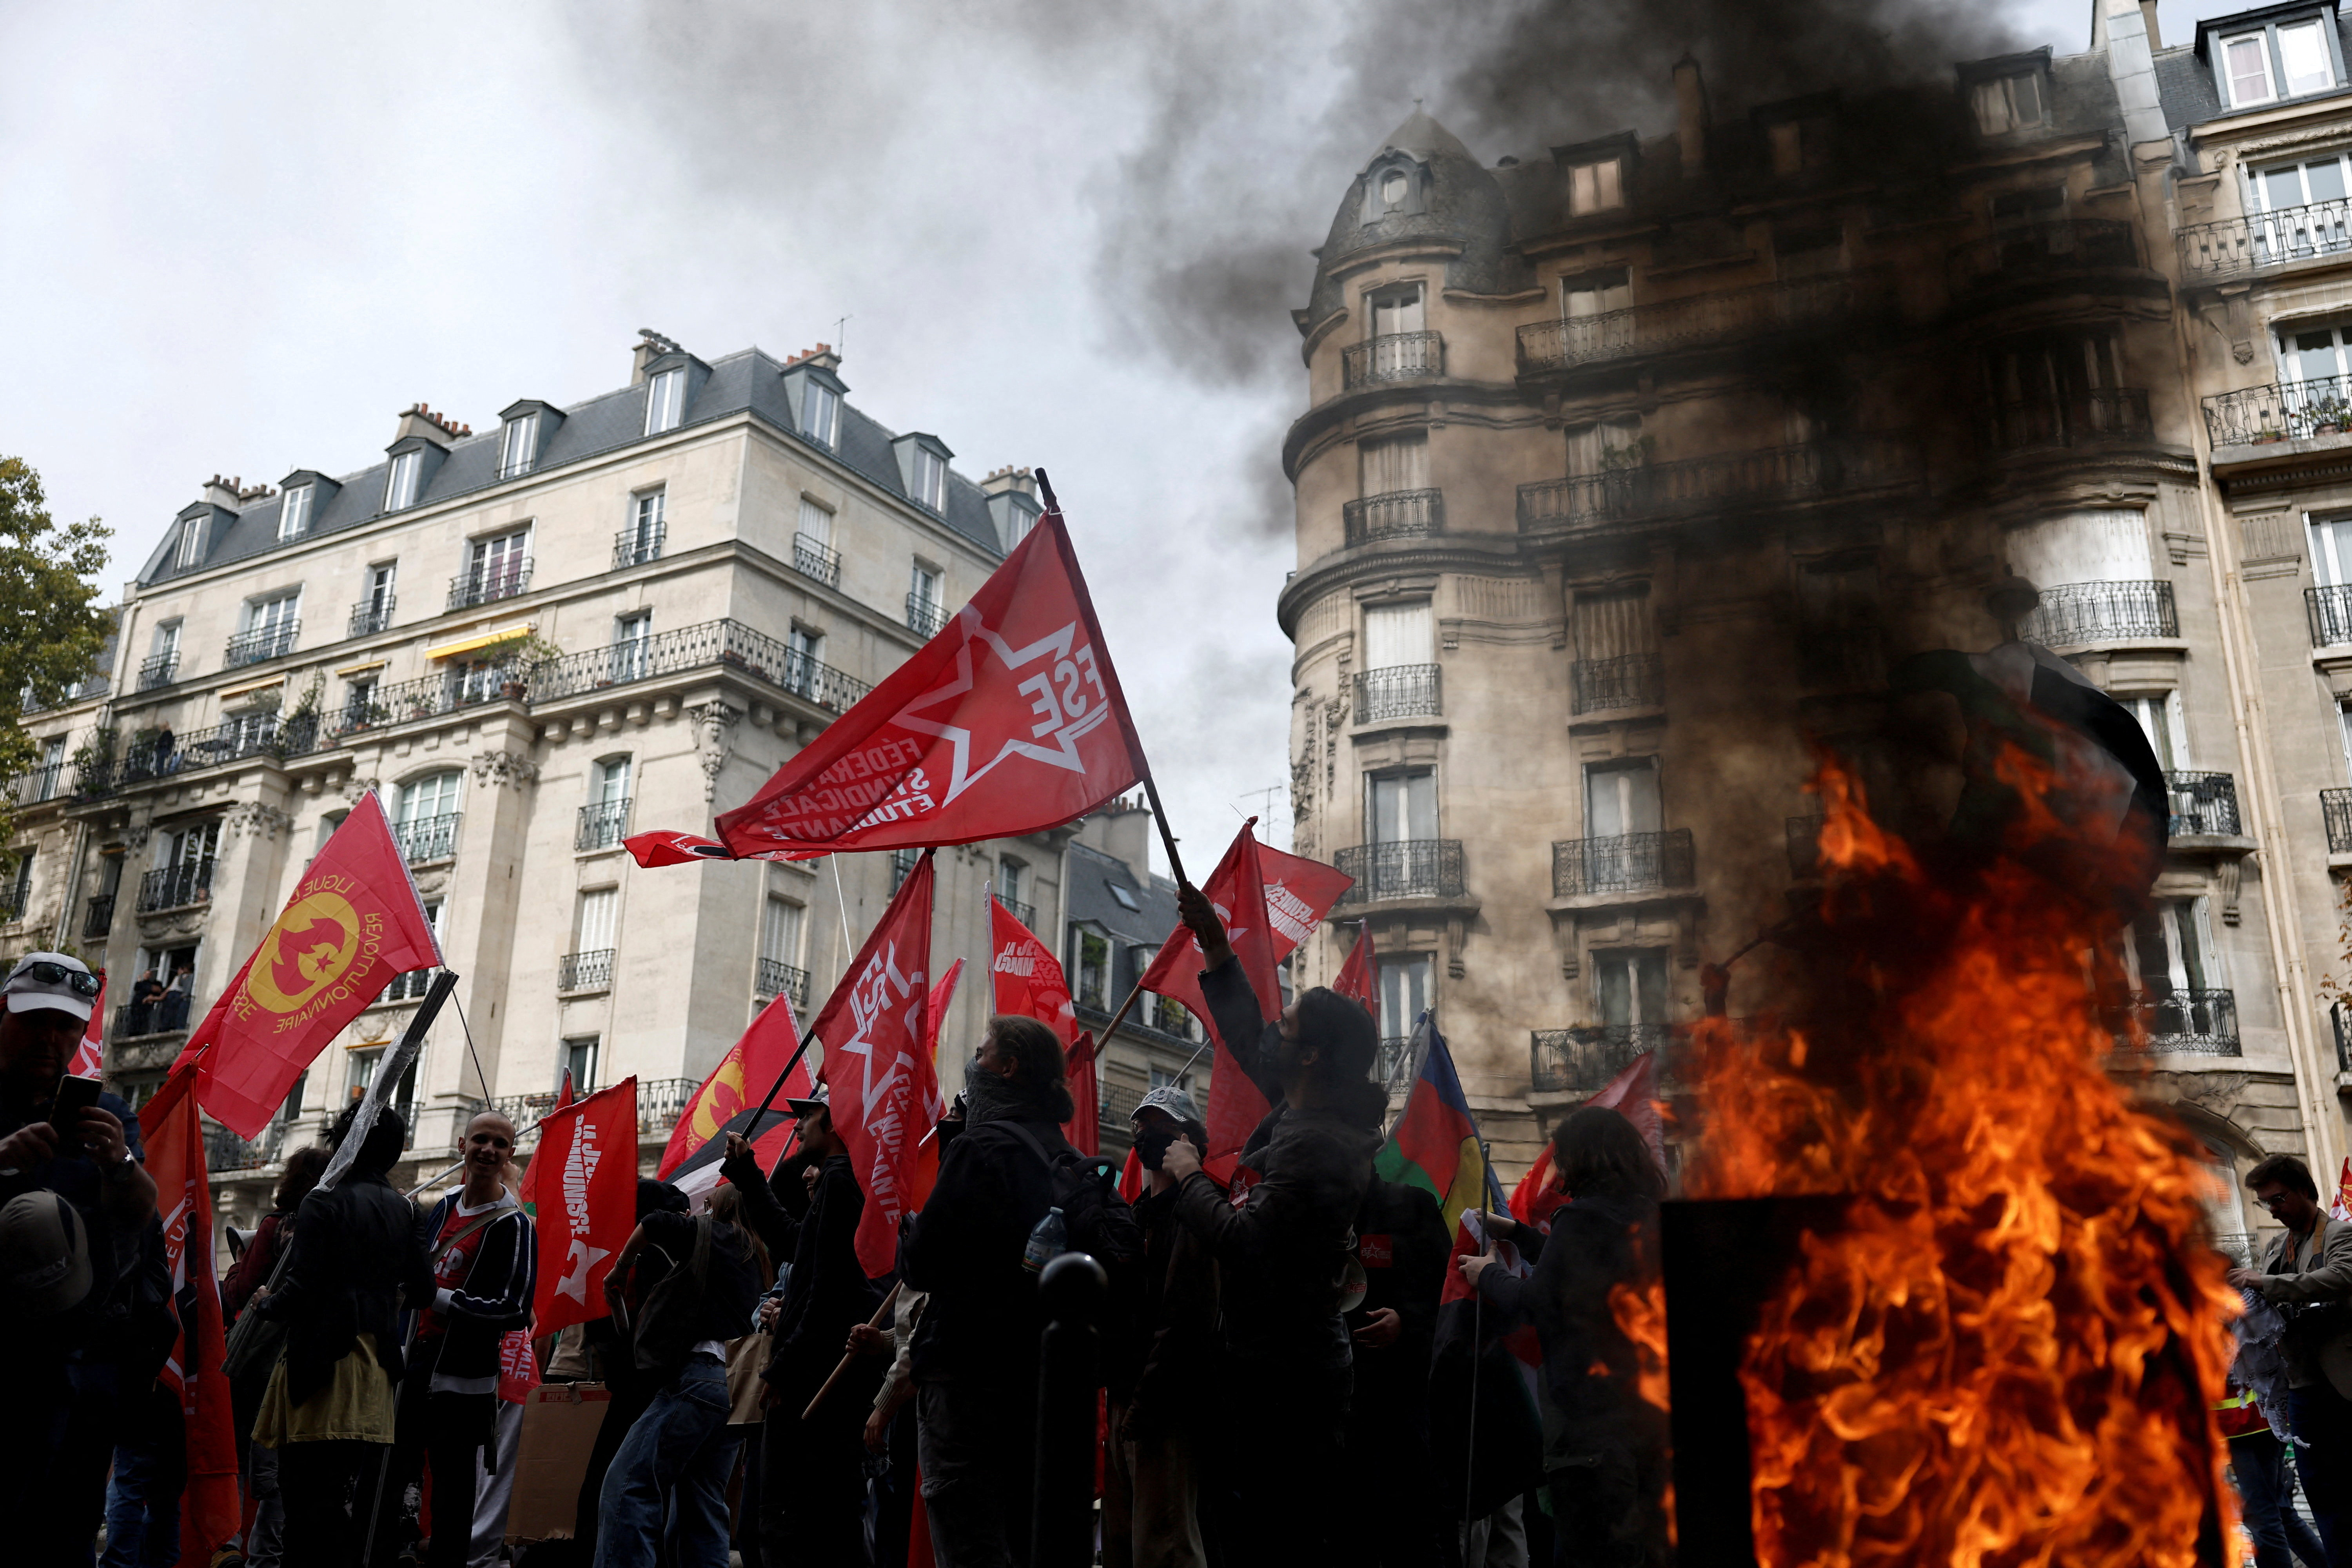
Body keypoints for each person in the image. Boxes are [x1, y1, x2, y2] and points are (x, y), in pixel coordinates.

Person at [1158, 888, 1387, 1568]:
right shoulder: (1311, 1108)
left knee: (1269, 1537)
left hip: (1284, 1383)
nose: (1273, 1035)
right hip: (1280, 1369)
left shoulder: (1314, 1140)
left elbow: (1247, 1241)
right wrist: (1216, 946)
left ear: (1312, 1058)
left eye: (1287, 1027)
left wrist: (1191, 1174)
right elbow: (1248, 1033)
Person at [904, 1014, 1084, 1568]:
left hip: (966, 1376)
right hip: (1039, 1380)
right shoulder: (1066, 1159)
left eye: (981, 1054)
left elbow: (925, 1262)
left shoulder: (981, 1149)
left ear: (1006, 1069)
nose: (972, 1065)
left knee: (968, 1537)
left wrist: (911, 1228)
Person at [0, 951, 161, 1567]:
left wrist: (118, 1162)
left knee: (63, 1534)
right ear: (4, 1013)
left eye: (67, 1025)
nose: (52, 1038)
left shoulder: (109, 1113)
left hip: (73, 1366)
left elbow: (144, 1210)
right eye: (36, 1019)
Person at [1464, 1107, 1668, 1568]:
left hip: (1589, 1434)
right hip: (1649, 1428)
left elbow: (1540, 1302)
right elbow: (1583, 1276)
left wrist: (1488, 1274)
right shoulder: (1649, 1216)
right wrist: (1517, 1232)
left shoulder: (1580, 1218)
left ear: (1583, 1158)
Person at [249, 1103, 434, 1568]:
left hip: (319, 1367)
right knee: (351, 1507)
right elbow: (425, 1289)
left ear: (343, 1142)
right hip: (375, 1372)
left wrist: (264, 1302)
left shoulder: (322, 1200)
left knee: (304, 1506)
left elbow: (301, 1286)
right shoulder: (406, 1209)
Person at [720, 1089, 883, 1568]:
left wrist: (783, 1370)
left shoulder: (839, 1181)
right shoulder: (835, 1182)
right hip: (814, 1377)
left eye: (807, 1115)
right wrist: (748, 1173)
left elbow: (828, 1289)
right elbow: (797, 1245)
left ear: (834, 1123)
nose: (798, 1125)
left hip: (815, 1384)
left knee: (797, 1522)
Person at [376, 1111, 534, 1568]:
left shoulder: (515, 1225)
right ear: (462, 1144)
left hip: (465, 1382)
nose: (488, 1149)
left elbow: (514, 1310)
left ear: (510, 1154)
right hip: (414, 1365)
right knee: (395, 1475)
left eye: (499, 1143)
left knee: (452, 1495)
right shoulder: (442, 1205)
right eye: (480, 1140)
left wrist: (440, 1298)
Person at [595, 1173, 763, 1568]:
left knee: (628, 1486)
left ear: (719, 1209)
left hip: (698, 1378)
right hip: (733, 1391)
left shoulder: (718, 1233)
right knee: (701, 1504)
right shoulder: (756, 1254)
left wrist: (620, 1268)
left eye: (707, 1208)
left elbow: (654, 1223)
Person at [1114, 1087, 1223, 1568]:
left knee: (1166, 1545)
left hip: (1166, 1406)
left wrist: (1146, 1403)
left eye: (1157, 1124)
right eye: (1140, 1124)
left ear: (1186, 1138)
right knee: (1129, 1542)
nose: (1144, 1133)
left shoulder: (1197, 1211)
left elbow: (1185, 1318)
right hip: (1130, 1397)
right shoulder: (1137, 1215)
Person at [2229, 1152, 2352, 1567]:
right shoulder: (2274, 1248)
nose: (2273, 1209)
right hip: (2301, 1393)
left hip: (2344, 1389)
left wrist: (2265, 1282)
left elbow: (2341, 1277)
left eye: (2278, 1199)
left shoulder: (2340, 1234)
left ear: (2304, 1190)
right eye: (2266, 1203)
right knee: (2322, 1498)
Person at [1340, 1174, 1450, 1568]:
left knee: (1411, 1526)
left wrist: (1406, 1321)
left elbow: (1447, 1290)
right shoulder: (1308, 1205)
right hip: (1335, 1401)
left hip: (1400, 1397)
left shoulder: (1412, 1206)